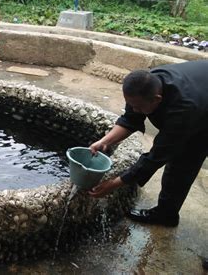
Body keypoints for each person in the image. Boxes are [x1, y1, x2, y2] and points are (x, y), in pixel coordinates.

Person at [88, 60, 208, 230]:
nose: (134, 109)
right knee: (180, 161)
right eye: (131, 104)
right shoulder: (145, 84)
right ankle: (166, 214)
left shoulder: (183, 109)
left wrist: (113, 184)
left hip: (201, 107)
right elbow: (131, 119)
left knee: (186, 158)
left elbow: (155, 157)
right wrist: (104, 141)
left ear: (157, 99)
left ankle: (166, 213)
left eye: (138, 107)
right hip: (200, 91)